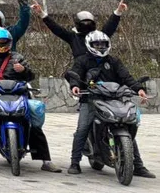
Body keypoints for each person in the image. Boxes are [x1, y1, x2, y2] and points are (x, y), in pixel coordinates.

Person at [0, 28, 59, 171]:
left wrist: (23, 70)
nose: (1, 44)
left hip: (18, 94)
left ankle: (46, 160)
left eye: (4, 42)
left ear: (10, 42)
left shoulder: (18, 58)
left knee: (33, 123)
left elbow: (30, 76)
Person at [65, 31, 154, 178]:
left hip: (114, 99)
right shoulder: (82, 61)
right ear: (90, 45)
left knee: (126, 126)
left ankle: (137, 166)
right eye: (97, 44)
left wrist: (139, 89)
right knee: (82, 129)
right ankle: (75, 162)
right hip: (90, 100)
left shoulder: (114, 62)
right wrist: (75, 86)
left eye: (103, 44)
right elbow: (75, 73)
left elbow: (126, 77)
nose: (100, 47)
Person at [44, 0, 128, 59]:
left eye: (89, 23)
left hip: (100, 71)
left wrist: (118, 12)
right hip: (81, 73)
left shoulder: (99, 36)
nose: (86, 25)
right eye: (84, 23)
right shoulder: (73, 37)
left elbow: (110, 26)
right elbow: (57, 29)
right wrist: (43, 15)